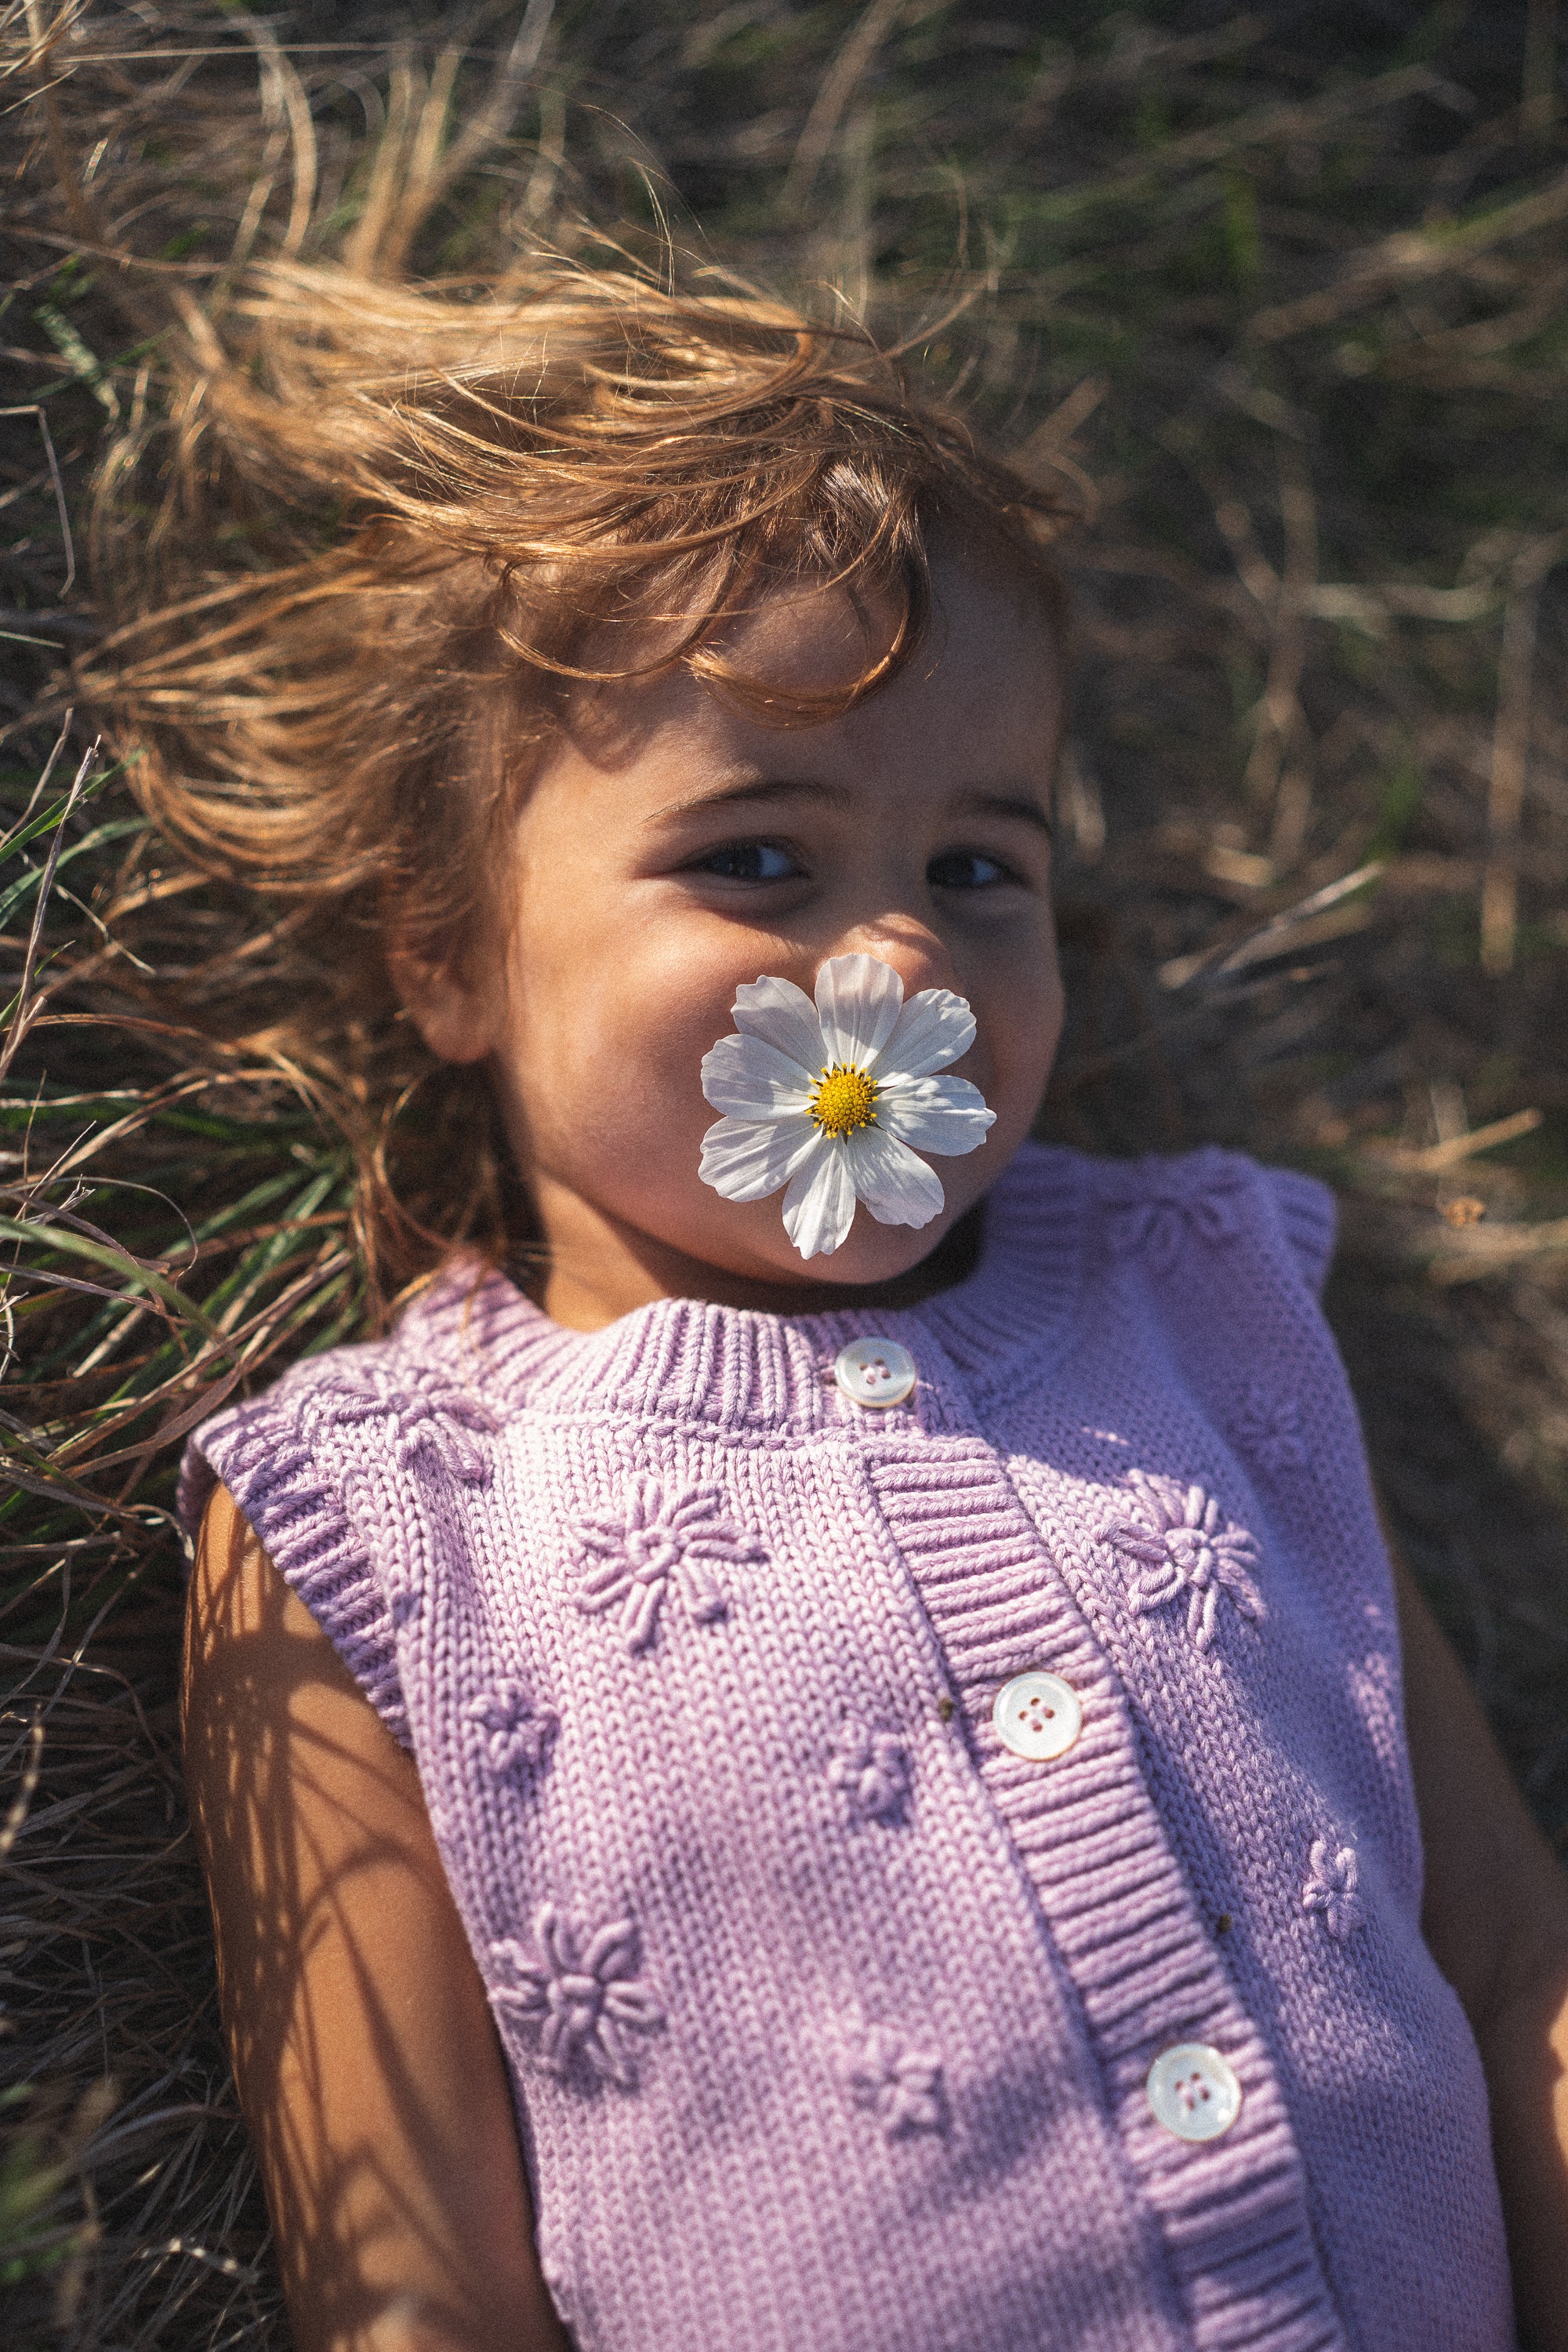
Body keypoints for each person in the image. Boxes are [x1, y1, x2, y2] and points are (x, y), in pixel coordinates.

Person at [88, 249, 1566, 2352]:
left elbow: (1511, 1966)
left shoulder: (1206, 1309)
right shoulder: (370, 1526)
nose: (894, 973)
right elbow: (407, 2274)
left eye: (983, 870)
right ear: (444, 952)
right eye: (758, 864)